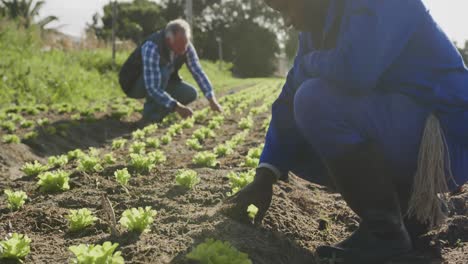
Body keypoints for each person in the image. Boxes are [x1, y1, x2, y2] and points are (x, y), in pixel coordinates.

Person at [225, 0, 468, 263]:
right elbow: (288, 98)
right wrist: (265, 175)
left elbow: (356, 70)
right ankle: (409, 217)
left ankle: (385, 234)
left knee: (314, 101)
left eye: (286, 8)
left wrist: (308, 65)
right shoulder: (318, 26)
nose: (287, 21)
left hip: (446, 138)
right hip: (406, 130)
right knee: (297, 135)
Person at [119, 19, 222, 122]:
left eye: (185, 46)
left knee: (190, 93)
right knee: (163, 72)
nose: (182, 51)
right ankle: (149, 117)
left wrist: (212, 99)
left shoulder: (185, 46)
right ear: (169, 40)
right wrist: (177, 107)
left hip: (160, 81)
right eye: (179, 47)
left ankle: (160, 113)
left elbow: (198, 72)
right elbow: (152, 87)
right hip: (134, 84)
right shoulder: (152, 47)